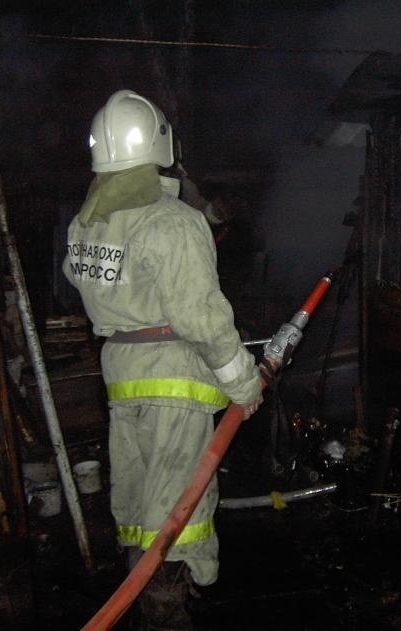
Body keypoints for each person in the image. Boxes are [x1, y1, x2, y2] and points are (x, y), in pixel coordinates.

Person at [63, 89, 263, 629]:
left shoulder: (87, 222)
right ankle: (167, 610)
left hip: (122, 374)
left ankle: (145, 595)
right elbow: (201, 315)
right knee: (178, 509)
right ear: (159, 143)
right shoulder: (171, 221)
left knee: (137, 498)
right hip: (173, 378)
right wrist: (243, 381)